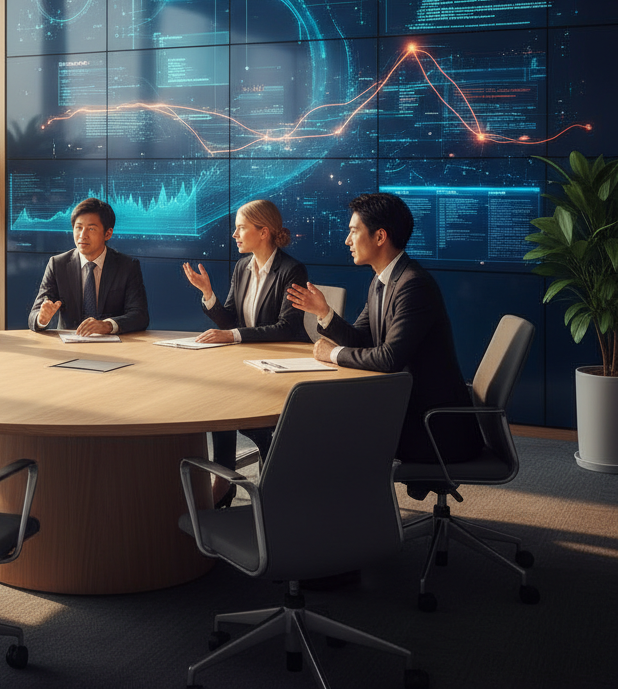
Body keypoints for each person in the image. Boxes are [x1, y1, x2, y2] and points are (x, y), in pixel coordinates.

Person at [287, 192, 482, 465]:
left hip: (431, 427)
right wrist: (324, 312)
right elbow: (360, 339)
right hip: (404, 409)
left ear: (379, 237)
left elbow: (389, 359)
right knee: (322, 426)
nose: (347, 241)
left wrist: (331, 354)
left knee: (324, 430)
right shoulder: (383, 280)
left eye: (354, 232)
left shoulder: (413, 285)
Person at [182, 199, 309, 502]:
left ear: (263, 231)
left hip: (281, 366)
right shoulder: (242, 267)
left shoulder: (292, 270)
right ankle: (224, 479)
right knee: (219, 405)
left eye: (240, 228)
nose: (234, 234)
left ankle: (274, 492)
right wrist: (208, 294)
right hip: (249, 361)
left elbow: (285, 329)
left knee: (254, 423)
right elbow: (230, 318)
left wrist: (232, 334)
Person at [28, 197, 149, 335]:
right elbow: (34, 315)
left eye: (91, 229)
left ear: (108, 233)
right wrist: (41, 319)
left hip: (113, 347)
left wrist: (108, 325)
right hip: (69, 346)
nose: (82, 235)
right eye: (78, 228)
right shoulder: (57, 265)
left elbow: (140, 316)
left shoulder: (127, 266)